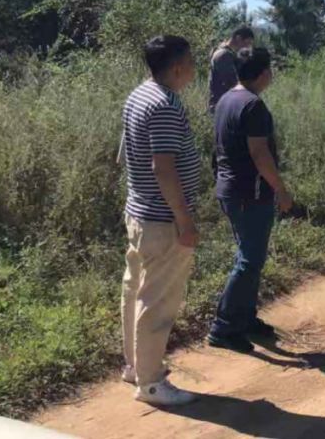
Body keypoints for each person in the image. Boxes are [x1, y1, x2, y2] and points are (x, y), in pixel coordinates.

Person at [120, 35, 202, 406]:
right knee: (157, 302)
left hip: (139, 213)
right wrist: (184, 221)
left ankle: (136, 367)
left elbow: (126, 154)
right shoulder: (165, 105)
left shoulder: (139, 95)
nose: (195, 69)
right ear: (178, 67)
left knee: (135, 291)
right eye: (192, 62)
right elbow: (163, 168)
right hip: (162, 221)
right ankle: (151, 383)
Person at [208, 47, 294, 354]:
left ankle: (244, 319)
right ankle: (223, 327)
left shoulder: (226, 99)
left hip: (230, 190)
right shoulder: (253, 105)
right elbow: (260, 153)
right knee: (249, 261)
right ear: (264, 73)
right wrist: (281, 190)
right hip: (250, 193)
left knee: (250, 258)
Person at [208, 26, 254, 112]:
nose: (247, 47)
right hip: (222, 107)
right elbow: (232, 82)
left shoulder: (229, 54)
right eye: (247, 43)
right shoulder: (223, 55)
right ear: (238, 38)